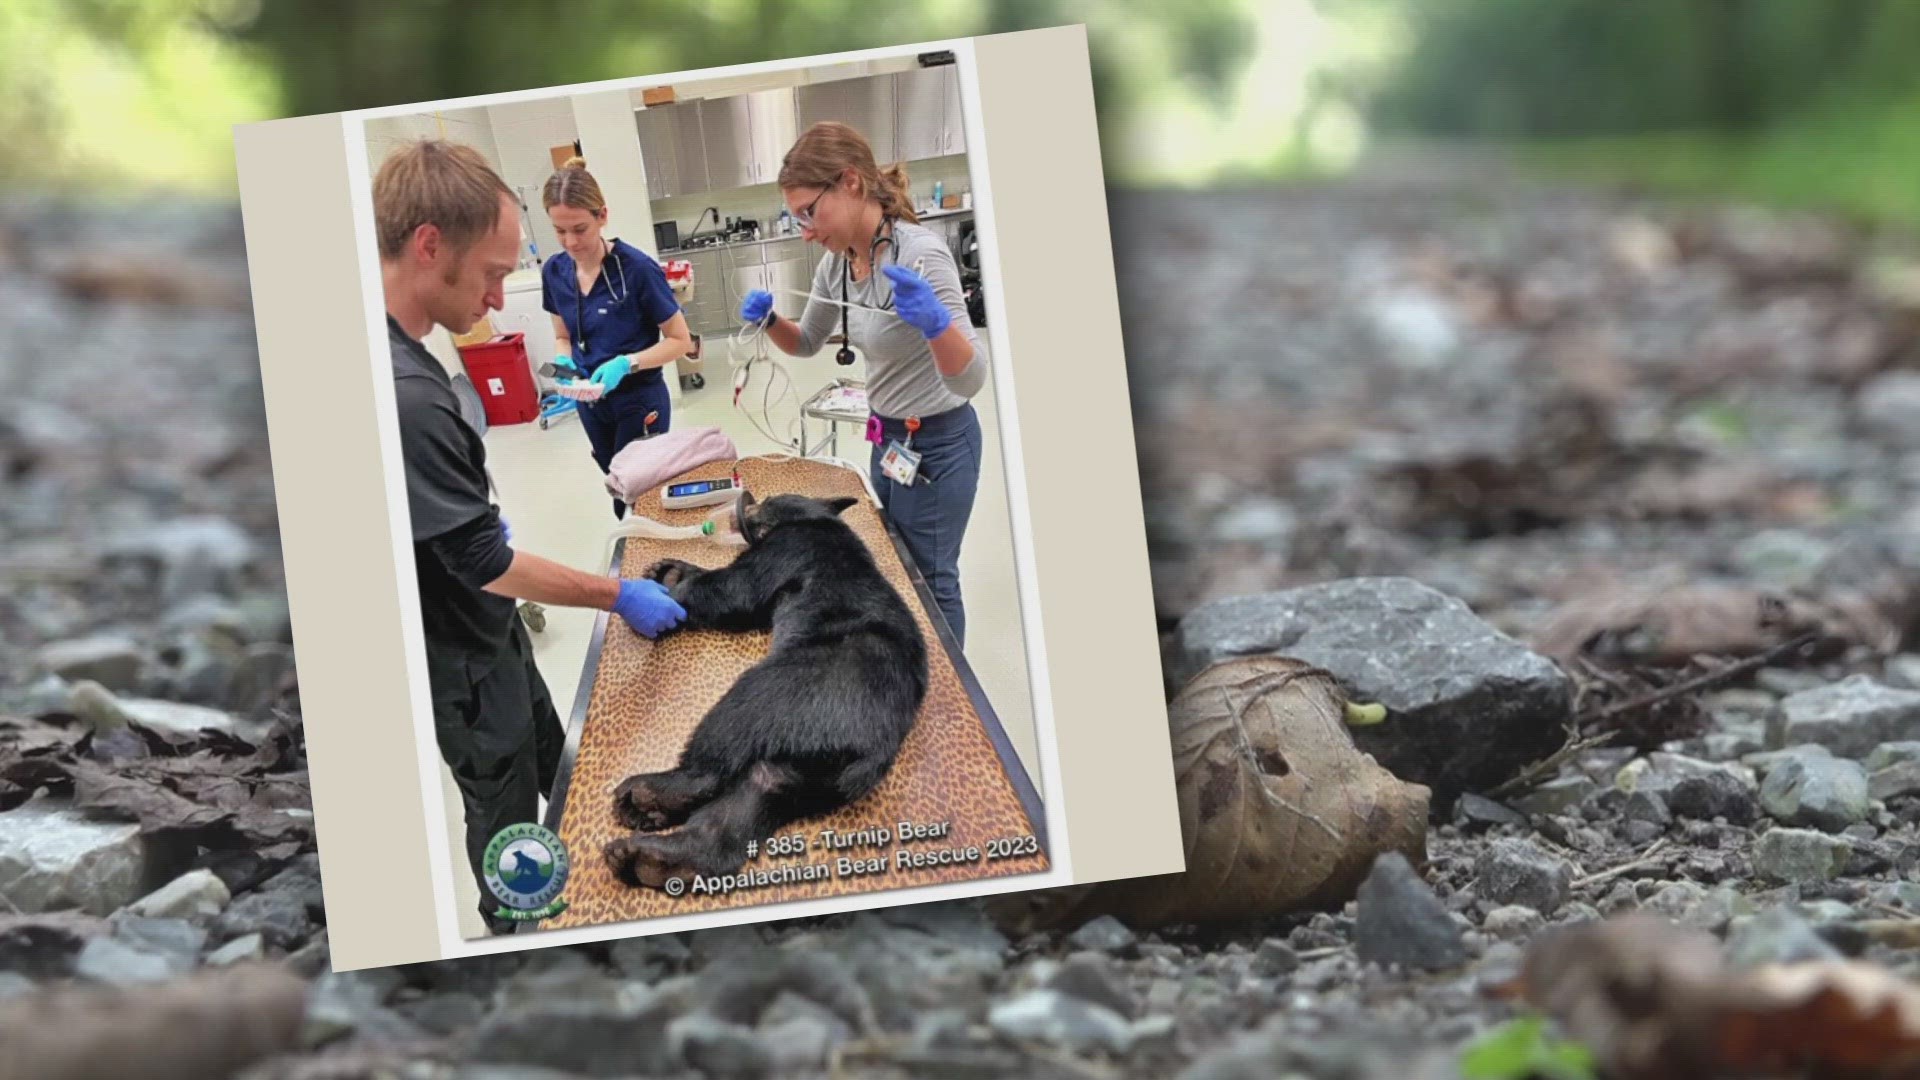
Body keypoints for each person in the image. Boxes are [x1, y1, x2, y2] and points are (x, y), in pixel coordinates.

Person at [375, 138, 688, 935]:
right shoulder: (407, 397)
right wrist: (616, 594)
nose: (496, 294)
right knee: (509, 817)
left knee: (560, 761)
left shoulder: (409, 361)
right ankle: (518, 931)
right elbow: (482, 562)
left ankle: (585, 872)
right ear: (429, 245)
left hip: (495, 644)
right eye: (490, 272)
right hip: (467, 672)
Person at [737, 122, 986, 644]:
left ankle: (948, 697)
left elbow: (970, 378)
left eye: (810, 211)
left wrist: (937, 326)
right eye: (795, 216)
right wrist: (770, 321)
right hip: (890, 439)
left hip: (938, 446)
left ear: (850, 182)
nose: (804, 229)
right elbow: (806, 342)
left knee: (934, 578)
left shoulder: (921, 256)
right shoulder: (838, 263)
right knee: (896, 561)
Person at [541, 157, 693, 519]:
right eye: (559, 231)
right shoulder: (554, 271)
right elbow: (562, 334)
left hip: (638, 401)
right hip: (590, 401)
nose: (570, 242)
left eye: (580, 228)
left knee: (646, 491)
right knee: (617, 483)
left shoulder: (637, 270)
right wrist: (562, 362)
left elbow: (680, 340)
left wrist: (627, 363)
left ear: (602, 216)